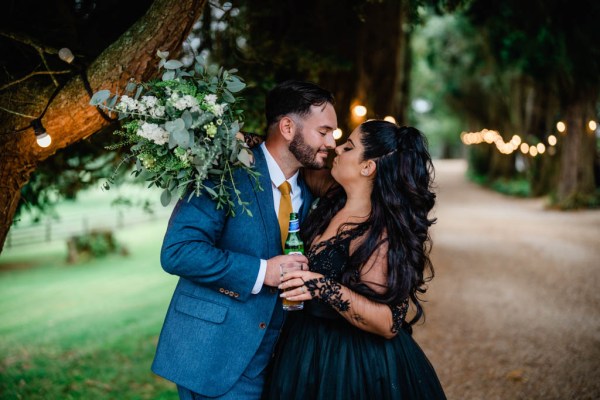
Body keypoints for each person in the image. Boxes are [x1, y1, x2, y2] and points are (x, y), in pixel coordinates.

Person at [152, 80, 338, 399]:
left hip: (282, 363)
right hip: (217, 355)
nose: (331, 143)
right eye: (323, 132)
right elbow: (178, 252)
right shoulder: (224, 171)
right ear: (288, 127)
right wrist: (262, 272)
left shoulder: (312, 191)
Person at [264, 120, 446, 399]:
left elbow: (389, 322)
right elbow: (287, 162)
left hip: (351, 363)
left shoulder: (379, 231)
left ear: (367, 167)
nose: (337, 148)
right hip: (303, 346)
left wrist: (321, 287)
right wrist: (251, 142)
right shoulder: (333, 196)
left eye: (348, 147)